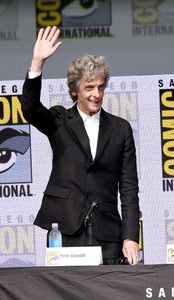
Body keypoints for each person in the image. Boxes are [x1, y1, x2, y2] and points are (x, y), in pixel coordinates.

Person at [21, 26, 140, 265]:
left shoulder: (120, 129)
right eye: (89, 87)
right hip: (65, 231)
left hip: (108, 233)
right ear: (75, 91)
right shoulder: (59, 120)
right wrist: (37, 63)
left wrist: (130, 237)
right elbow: (30, 110)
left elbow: (128, 189)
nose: (96, 94)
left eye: (100, 87)